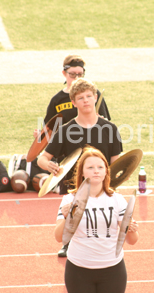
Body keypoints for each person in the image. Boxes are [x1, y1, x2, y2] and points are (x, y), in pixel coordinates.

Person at [38, 78, 123, 257]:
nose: (85, 100)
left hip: (102, 187)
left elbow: (117, 161)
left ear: (95, 98)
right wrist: (49, 165)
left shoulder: (110, 128)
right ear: (73, 102)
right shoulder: (66, 130)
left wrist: (122, 173)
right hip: (75, 189)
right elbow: (42, 159)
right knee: (75, 221)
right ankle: (69, 244)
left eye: (89, 96)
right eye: (81, 97)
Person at [54, 146, 138, 293]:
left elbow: (132, 240)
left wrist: (131, 229)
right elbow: (59, 237)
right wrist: (66, 216)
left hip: (113, 269)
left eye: (100, 167)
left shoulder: (117, 199)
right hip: (78, 270)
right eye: (90, 167)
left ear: (106, 171)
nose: (96, 170)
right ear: (82, 172)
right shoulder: (70, 200)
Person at [33, 54, 111, 138]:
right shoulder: (57, 100)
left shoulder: (93, 94)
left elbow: (106, 124)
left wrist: (101, 121)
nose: (77, 78)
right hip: (66, 145)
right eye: (72, 74)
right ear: (64, 73)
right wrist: (41, 136)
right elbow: (49, 130)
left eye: (80, 74)